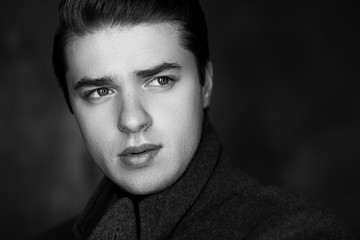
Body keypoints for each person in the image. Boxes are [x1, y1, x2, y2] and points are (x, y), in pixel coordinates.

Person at [38, 0, 356, 239]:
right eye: (101, 91)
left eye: (160, 80)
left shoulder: (298, 233)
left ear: (205, 84)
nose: (132, 120)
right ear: (70, 105)